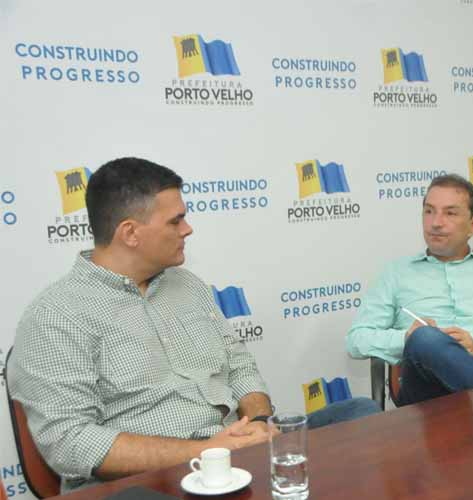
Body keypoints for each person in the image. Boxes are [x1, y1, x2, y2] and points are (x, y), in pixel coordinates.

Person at [7, 158, 378, 492]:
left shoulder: (188, 286)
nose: (187, 229)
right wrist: (207, 451)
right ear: (130, 233)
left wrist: (259, 420)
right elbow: (70, 442)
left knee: (360, 414)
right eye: (175, 220)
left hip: (235, 452)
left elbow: (239, 365)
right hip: (146, 482)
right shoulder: (56, 316)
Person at [346, 174, 473, 406]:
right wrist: (407, 338)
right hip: (427, 399)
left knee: (429, 339)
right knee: (426, 338)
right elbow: (357, 340)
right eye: (429, 211)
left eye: (450, 213)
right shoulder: (395, 273)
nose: (436, 223)